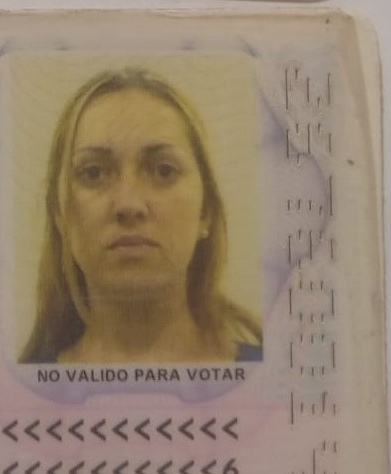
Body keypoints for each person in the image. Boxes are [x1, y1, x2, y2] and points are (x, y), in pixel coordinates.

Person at [19, 68, 262, 364]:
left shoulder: (275, 379)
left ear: (206, 211)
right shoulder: (15, 384)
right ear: (59, 213)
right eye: (93, 173)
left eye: (164, 170)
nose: (129, 204)